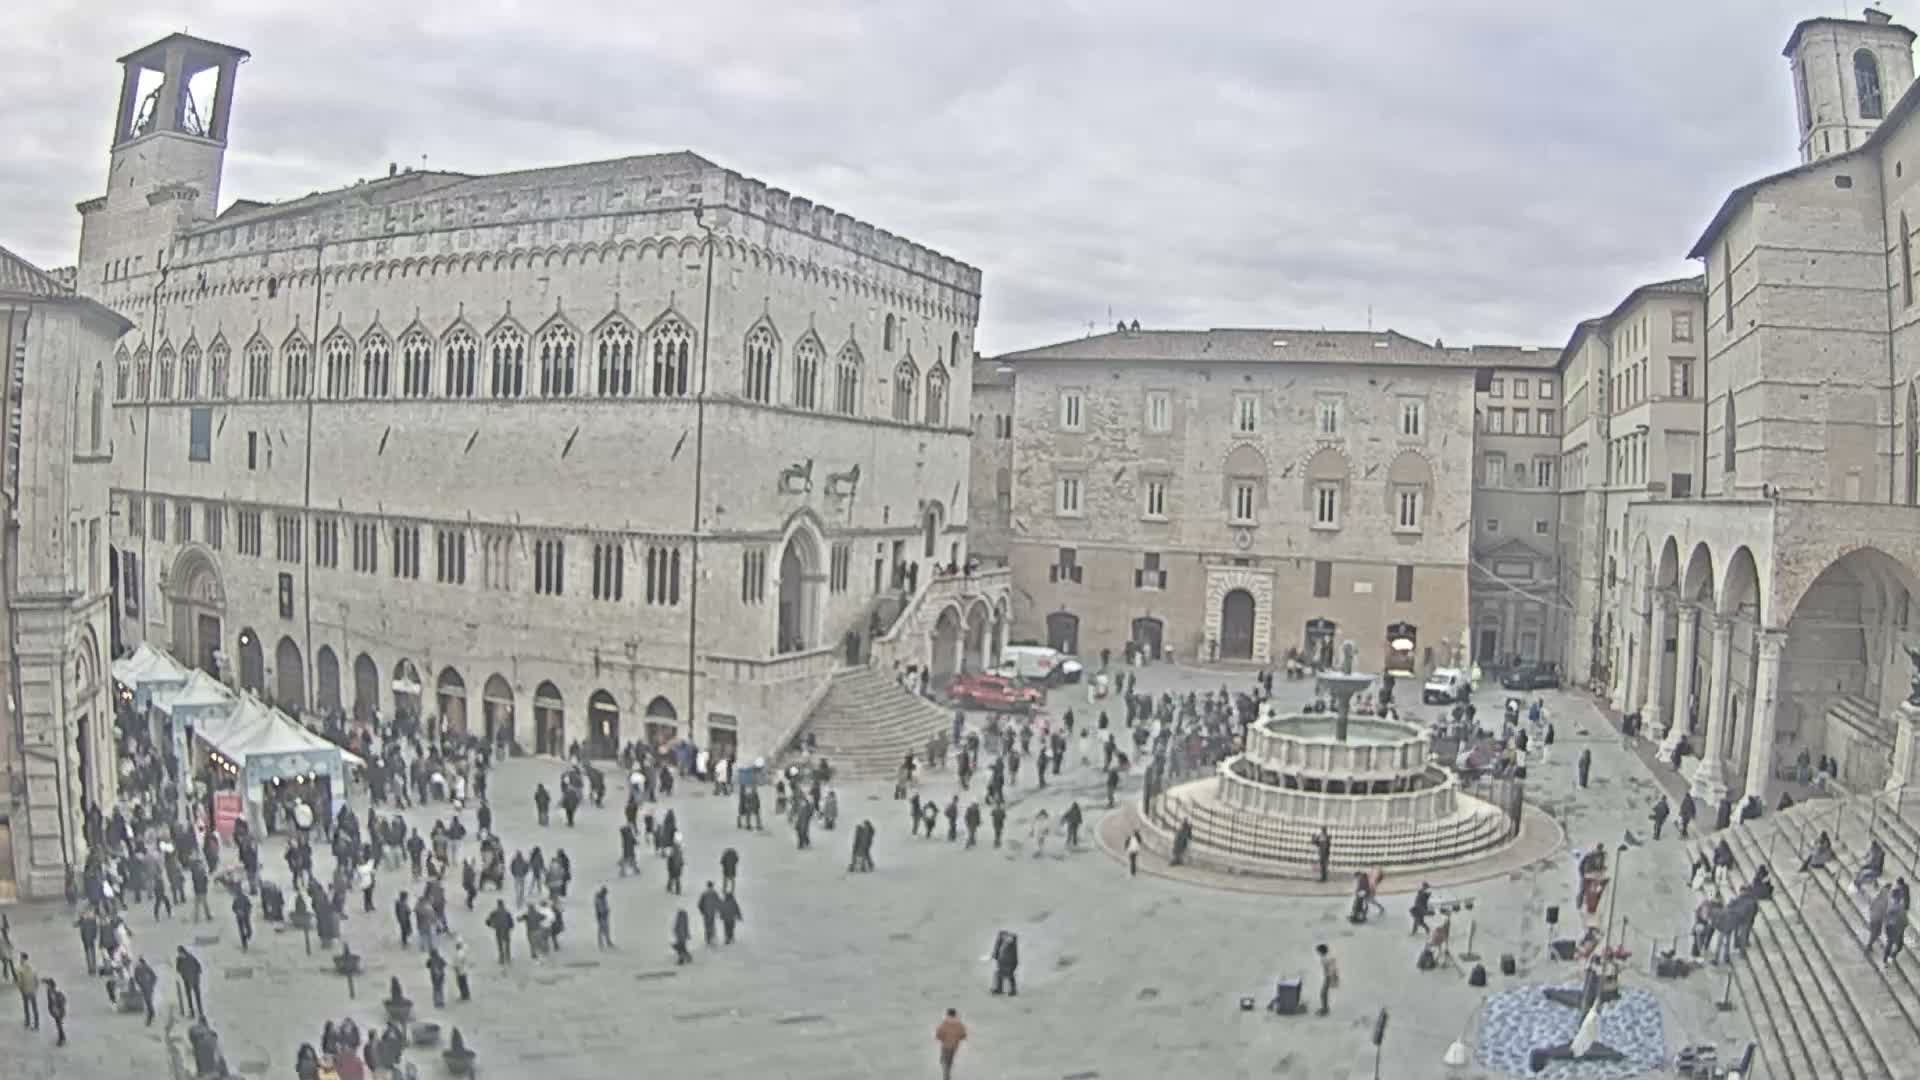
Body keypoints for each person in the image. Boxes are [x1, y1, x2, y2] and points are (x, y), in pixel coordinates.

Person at [934, 1008, 968, 1080]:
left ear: (947, 1014)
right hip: (954, 1046)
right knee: (949, 1061)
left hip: (945, 1046)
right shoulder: (959, 1025)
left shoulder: (944, 1024)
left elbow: (938, 1035)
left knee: (944, 1061)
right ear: (955, 1014)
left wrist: (942, 1038)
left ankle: (946, 1076)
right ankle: (947, 1073)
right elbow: (963, 1035)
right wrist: (957, 1038)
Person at [176, 946, 205, 1020]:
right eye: (179, 953)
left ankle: (201, 1012)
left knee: (197, 996)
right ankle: (192, 1012)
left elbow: (199, 967)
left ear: (183, 952)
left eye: (180, 953)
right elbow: (178, 969)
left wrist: (196, 975)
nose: (179, 954)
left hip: (195, 980)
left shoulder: (191, 957)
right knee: (189, 998)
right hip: (187, 981)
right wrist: (183, 974)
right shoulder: (179, 960)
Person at [14, 951, 38, 1029]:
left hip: (25, 991)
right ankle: (36, 1024)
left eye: (20, 958)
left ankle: (28, 1022)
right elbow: (36, 979)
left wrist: (21, 989)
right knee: (35, 1007)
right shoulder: (33, 967)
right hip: (33, 990)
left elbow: (19, 982)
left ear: (22, 958)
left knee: (26, 1006)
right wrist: (35, 988)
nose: (20, 959)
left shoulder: (19, 969)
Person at [486, 900, 515, 965]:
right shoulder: (507, 912)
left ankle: (501, 958)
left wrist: (491, 925)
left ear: (498, 905)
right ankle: (508, 957)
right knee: (507, 943)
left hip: (498, 929)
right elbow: (511, 921)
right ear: (503, 904)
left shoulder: (494, 912)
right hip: (506, 929)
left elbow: (487, 920)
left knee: (500, 944)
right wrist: (511, 927)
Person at [990, 931, 1019, 996]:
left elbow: (1014, 955)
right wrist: (995, 955)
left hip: (1009, 962)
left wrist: (1013, 964)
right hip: (1002, 961)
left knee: (1009, 975)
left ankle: (1013, 990)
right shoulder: (1001, 940)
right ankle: (999, 988)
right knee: (999, 974)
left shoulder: (1011, 944)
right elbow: (997, 948)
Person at [133, 956, 158, 1025]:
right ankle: (151, 1015)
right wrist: (150, 984)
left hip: (147, 988)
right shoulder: (140, 968)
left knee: (148, 1002)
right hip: (146, 988)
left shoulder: (143, 968)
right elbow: (136, 978)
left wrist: (150, 984)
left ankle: (151, 1015)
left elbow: (154, 977)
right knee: (148, 1002)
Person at [1315, 943, 1338, 1016]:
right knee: (1324, 994)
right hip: (1328, 977)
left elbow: (1332, 968)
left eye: (1319, 951)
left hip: (1329, 977)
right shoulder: (1326, 957)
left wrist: (1331, 978)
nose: (1318, 953)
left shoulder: (1326, 958)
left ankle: (1325, 1009)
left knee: (1323, 994)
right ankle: (1325, 1008)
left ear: (1322, 951)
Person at [44, 977, 65, 1047]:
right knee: (58, 1024)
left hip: (58, 1011)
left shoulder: (56, 992)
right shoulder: (49, 991)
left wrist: (59, 1010)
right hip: (55, 1011)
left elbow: (62, 1001)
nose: (46, 986)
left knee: (59, 1025)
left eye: (48, 985)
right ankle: (62, 1037)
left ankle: (61, 1039)